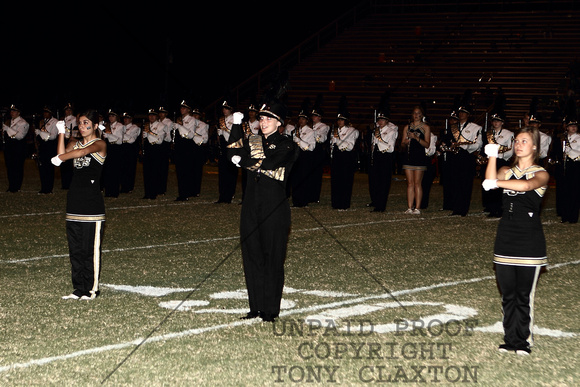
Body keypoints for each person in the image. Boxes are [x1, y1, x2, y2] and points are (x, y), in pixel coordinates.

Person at [227, 101, 297, 322]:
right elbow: (232, 150)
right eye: (261, 118)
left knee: (272, 257)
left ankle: (270, 310)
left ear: (279, 122)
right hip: (251, 206)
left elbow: (266, 163)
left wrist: (242, 160)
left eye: (269, 118)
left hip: (274, 207)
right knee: (252, 256)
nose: (263, 122)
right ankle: (255, 307)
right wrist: (236, 125)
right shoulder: (253, 140)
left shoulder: (287, 144)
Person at [482, 126, 549, 355]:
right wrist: (492, 154)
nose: (519, 144)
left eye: (524, 141)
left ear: (534, 147)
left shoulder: (541, 173)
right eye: (517, 141)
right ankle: (510, 339)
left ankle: (523, 341)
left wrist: (496, 184)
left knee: (523, 295)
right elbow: (490, 178)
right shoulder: (505, 170)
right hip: (506, 237)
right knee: (507, 293)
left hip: (529, 240)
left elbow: (526, 186)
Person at [50, 109, 107, 300]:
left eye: (86, 123)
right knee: (75, 249)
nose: (82, 127)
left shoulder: (100, 143)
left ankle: (91, 290)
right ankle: (78, 289)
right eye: (80, 123)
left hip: (91, 205)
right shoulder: (74, 142)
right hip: (74, 201)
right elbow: (63, 153)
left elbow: (81, 153)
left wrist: (60, 159)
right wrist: (60, 132)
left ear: (95, 126)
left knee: (89, 250)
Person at [446, 103, 482, 216]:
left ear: (468, 114)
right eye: (460, 112)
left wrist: (464, 146)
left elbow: (478, 145)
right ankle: (456, 208)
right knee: (455, 183)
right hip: (454, 156)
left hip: (467, 157)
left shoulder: (475, 128)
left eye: (464, 112)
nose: (461, 114)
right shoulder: (453, 127)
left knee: (466, 183)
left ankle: (464, 209)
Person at [481, 110, 514, 217]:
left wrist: (503, 157)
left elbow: (510, 149)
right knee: (489, 184)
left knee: (499, 186)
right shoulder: (488, 133)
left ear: (502, 122)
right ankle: (490, 207)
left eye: (498, 121)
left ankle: (499, 208)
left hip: (501, 161)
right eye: (494, 121)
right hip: (490, 161)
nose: (496, 123)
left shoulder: (508, 134)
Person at [401, 105, 431, 214]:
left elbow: (427, 144)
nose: (416, 115)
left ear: (422, 115)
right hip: (409, 157)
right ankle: (409, 207)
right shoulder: (407, 127)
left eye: (419, 113)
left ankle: (417, 207)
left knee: (417, 183)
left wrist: (416, 138)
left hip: (419, 157)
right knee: (410, 183)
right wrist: (405, 142)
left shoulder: (426, 127)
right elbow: (402, 144)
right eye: (414, 113)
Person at [330, 106, 359, 210]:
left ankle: (344, 203)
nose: (339, 122)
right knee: (335, 181)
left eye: (341, 119)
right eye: (338, 119)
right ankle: (336, 203)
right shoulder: (334, 130)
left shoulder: (352, 130)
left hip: (346, 157)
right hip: (337, 157)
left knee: (346, 181)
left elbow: (350, 146)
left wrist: (338, 141)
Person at [368, 109, 398, 212]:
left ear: (387, 121)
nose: (380, 122)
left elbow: (390, 148)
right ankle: (376, 202)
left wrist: (378, 143)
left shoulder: (391, 131)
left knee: (383, 182)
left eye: (382, 120)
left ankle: (381, 206)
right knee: (375, 181)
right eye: (379, 120)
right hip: (376, 156)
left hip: (385, 156)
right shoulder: (376, 131)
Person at [173, 99, 201, 201]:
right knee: (180, 171)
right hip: (179, 146)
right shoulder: (179, 119)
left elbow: (189, 135)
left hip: (187, 146)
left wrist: (180, 126)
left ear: (188, 110)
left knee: (186, 170)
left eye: (184, 108)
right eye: (181, 107)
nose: (182, 109)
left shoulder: (192, 120)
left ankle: (186, 193)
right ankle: (182, 193)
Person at [290, 108, 316, 207]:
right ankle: (296, 200)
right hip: (296, 157)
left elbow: (311, 147)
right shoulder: (295, 130)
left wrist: (298, 141)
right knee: (295, 179)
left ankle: (303, 200)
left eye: (303, 119)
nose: (301, 121)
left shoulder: (310, 132)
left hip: (305, 156)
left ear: (307, 120)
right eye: (300, 118)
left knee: (304, 179)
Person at [142, 108, 169, 199]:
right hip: (148, 149)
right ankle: (147, 193)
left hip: (156, 149)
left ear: (156, 116)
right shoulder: (147, 125)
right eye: (150, 115)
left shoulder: (161, 125)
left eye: (153, 115)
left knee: (155, 172)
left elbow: (159, 139)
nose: (151, 117)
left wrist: (149, 133)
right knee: (147, 172)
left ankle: (154, 193)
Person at [2, 104, 29, 193]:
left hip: (18, 147)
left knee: (17, 167)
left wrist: (7, 129)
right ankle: (11, 186)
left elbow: (20, 136)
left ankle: (16, 186)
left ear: (18, 112)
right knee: (9, 167)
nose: (12, 113)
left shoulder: (23, 123)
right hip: (9, 146)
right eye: (11, 111)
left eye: (14, 111)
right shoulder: (9, 121)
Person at [216, 100, 239, 203]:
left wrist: (224, 131)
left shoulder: (235, 119)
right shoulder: (221, 120)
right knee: (222, 172)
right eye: (223, 108)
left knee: (231, 171)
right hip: (224, 146)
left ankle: (229, 195)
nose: (224, 110)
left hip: (233, 146)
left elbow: (236, 134)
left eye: (227, 108)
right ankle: (222, 195)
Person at [558, 116, 580, 223]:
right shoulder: (564, 137)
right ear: (567, 127)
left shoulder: (579, 137)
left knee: (574, 191)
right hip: (566, 165)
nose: (573, 128)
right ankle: (565, 215)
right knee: (565, 190)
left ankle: (573, 217)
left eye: (575, 126)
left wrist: (569, 150)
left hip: (576, 164)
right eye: (571, 126)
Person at [35, 106, 59, 194]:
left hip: (50, 146)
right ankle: (43, 187)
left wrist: (41, 133)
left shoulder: (55, 122)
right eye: (44, 112)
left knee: (49, 168)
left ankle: (49, 188)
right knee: (42, 168)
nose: (45, 114)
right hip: (43, 146)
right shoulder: (42, 121)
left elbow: (52, 136)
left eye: (47, 112)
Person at [102, 109, 125, 197]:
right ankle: (108, 191)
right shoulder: (106, 125)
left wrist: (108, 135)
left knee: (115, 170)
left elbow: (118, 139)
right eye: (110, 116)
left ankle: (115, 191)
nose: (111, 118)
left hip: (116, 148)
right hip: (108, 147)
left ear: (116, 117)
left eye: (113, 116)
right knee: (108, 170)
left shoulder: (120, 126)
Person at [310, 103, 330, 203]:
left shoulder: (323, 126)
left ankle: (315, 196)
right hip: (309, 149)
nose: (313, 117)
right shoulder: (309, 126)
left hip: (317, 150)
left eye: (316, 116)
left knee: (316, 174)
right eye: (313, 115)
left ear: (320, 117)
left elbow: (321, 139)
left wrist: (311, 134)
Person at [120, 112, 140, 193]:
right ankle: (123, 186)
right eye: (124, 118)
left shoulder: (134, 127)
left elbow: (131, 139)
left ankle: (129, 187)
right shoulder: (121, 127)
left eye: (127, 118)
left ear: (131, 119)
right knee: (122, 169)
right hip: (122, 148)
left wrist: (120, 135)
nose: (125, 120)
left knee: (130, 169)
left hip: (130, 149)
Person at [60, 103, 77, 189]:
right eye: (66, 110)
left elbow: (73, 130)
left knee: (69, 162)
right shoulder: (62, 120)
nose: (68, 111)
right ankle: (64, 183)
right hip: (62, 139)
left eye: (70, 110)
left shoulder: (74, 119)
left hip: (69, 139)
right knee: (63, 161)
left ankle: (69, 183)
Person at [420, 130, 438, 209]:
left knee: (425, 184)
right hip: (418, 160)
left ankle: (423, 203)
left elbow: (431, 151)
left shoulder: (432, 136)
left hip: (427, 160)